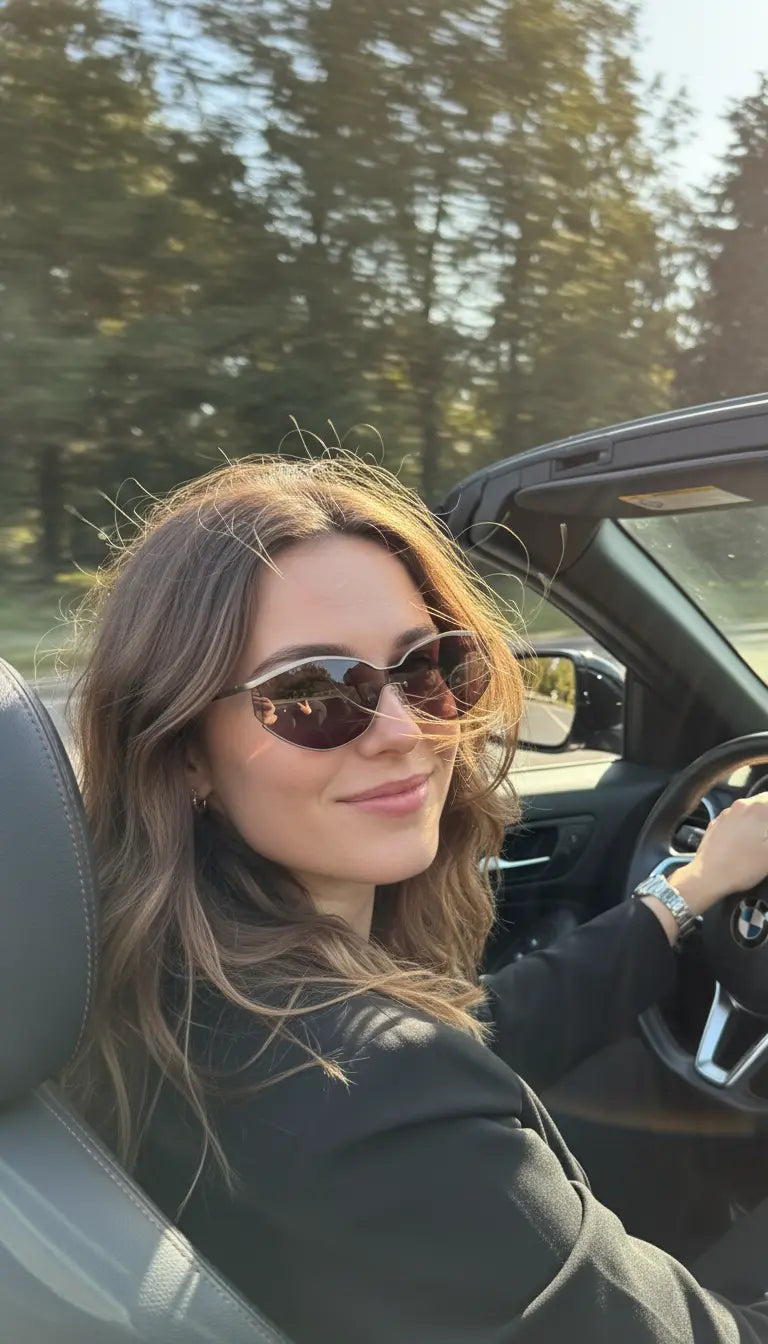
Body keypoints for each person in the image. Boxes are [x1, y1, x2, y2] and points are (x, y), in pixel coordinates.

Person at [64, 453, 768, 1343]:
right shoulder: (367, 1096)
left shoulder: (183, 1004)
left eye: (430, 666)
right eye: (312, 694)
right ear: (184, 750)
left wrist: (695, 886)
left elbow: (483, 1033)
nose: (405, 732)